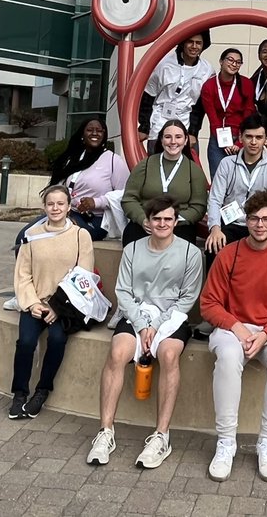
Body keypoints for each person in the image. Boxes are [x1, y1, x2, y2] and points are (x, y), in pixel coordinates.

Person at [86, 195, 204, 469]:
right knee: (117, 353)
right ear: (148, 222)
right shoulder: (132, 250)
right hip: (137, 315)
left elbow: (187, 298)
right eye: (157, 219)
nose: (162, 223)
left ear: (176, 221)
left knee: (169, 354)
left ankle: (161, 435)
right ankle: (105, 432)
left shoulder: (191, 253)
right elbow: (123, 292)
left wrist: (157, 326)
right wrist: (142, 325)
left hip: (172, 319)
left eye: (168, 219)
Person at [199, 189, 267, 483]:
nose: (260, 225)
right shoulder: (229, 254)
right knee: (229, 356)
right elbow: (209, 303)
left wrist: (266, 333)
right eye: (254, 218)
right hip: (234, 327)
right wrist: (238, 328)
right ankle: (226, 441)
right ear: (246, 220)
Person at [8, 184, 95, 419]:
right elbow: (23, 274)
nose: (55, 208)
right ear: (44, 207)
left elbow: (83, 276)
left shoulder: (80, 235)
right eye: (50, 204)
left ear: (69, 207)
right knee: (25, 342)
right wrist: (33, 303)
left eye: (60, 204)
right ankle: (19, 393)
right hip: (36, 301)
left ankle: (42, 391)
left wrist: (56, 307)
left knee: (57, 339)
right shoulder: (31, 236)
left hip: (64, 305)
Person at [205, 114, 267, 255]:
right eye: (249, 136)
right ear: (240, 137)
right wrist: (215, 228)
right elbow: (215, 199)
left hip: (261, 225)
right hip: (232, 224)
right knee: (214, 247)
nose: (253, 142)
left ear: (266, 139)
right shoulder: (227, 163)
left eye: (259, 137)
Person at [121, 120, 207, 246]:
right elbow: (129, 199)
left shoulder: (193, 170)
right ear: (161, 140)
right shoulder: (145, 165)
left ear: (186, 140)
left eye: (178, 137)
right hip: (147, 223)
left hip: (179, 226)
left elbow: (199, 207)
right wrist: (143, 219)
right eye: (168, 137)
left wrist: (173, 220)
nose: (173, 142)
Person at [45, 116, 130, 241]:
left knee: (62, 233)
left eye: (99, 130)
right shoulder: (73, 158)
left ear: (104, 134)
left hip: (97, 220)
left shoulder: (113, 160)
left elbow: (125, 195)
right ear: (82, 134)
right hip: (67, 213)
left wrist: (96, 202)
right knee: (26, 235)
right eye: (90, 130)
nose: (95, 133)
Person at [138, 29, 214, 157]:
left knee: (189, 167)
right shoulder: (163, 65)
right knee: (156, 165)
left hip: (186, 122)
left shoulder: (207, 69)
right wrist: (144, 127)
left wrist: (193, 132)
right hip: (160, 120)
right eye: (190, 42)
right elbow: (147, 97)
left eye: (198, 43)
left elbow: (200, 106)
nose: (194, 46)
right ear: (183, 43)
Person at [195, 47, 256, 178]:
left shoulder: (246, 83)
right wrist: (224, 142)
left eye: (238, 62)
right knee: (218, 179)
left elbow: (249, 113)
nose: (234, 64)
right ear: (221, 61)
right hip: (218, 138)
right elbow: (213, 119)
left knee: (242, 180)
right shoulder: (209, 86)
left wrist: (240, 142)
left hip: (242, 137)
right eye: (230, 60)